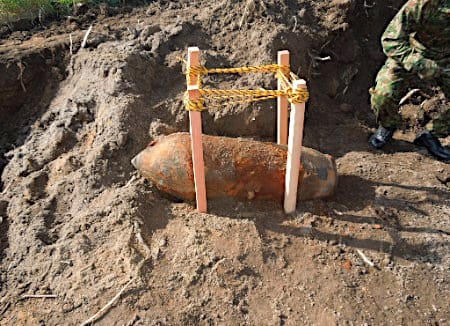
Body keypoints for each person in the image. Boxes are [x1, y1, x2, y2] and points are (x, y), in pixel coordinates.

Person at [369, 0, 450, 162]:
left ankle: (431, 134)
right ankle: (388, 124)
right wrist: (418, 63)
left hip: (446, 59)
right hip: (413, 54)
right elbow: (391, 39)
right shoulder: (421, 4)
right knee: (383, 94)